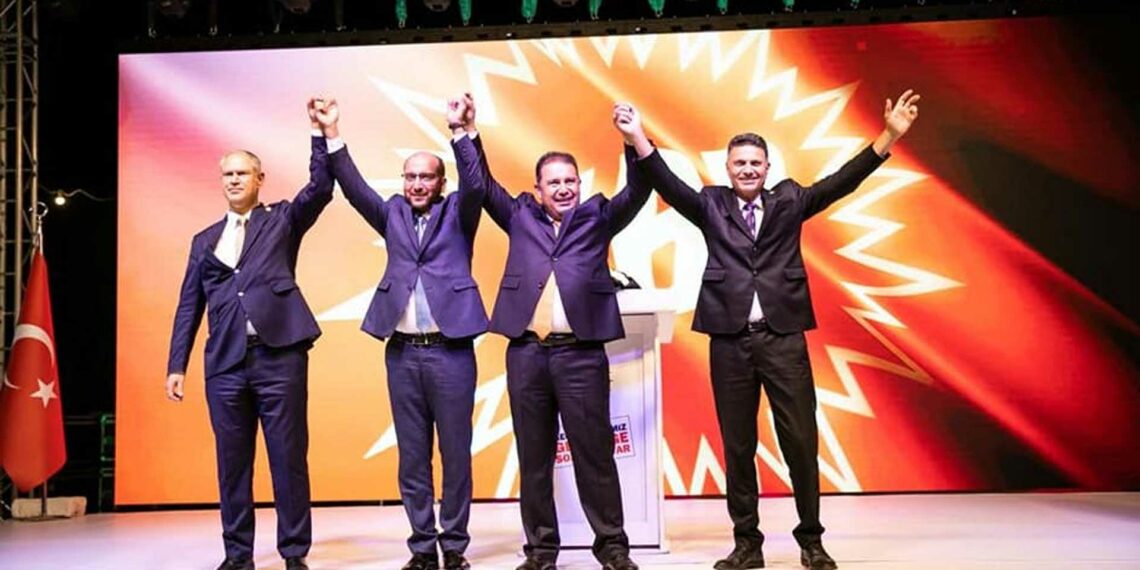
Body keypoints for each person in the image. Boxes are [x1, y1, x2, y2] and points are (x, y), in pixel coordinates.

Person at [616, 90, 922, 570]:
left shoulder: (790, 199)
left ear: (767, 167)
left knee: (800, 440)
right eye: (739, 163)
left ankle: (812, 542)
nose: (747, 170)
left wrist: (888, 137)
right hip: (730, 341)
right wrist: (636, 136)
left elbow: (841, 183)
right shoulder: (711, 204)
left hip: (783, 339)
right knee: (738, 445)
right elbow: (667, 183)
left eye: (755, 163)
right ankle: (747, 545)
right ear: (727, 167)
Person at [454, 98, 651, 570]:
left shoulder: (598, 216)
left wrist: (633, 138)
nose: (563, 189)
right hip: (527, 354)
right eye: (554, 183)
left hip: (581, 356)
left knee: (594, 456)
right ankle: (541, 551)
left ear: (579, 185)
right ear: (537, 190)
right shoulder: (519, 215)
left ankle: (613, 548)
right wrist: (466, 132)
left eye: (570, 181)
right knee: (535, 458)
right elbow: (482, 183)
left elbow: (640, 188)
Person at [165, 98, 339, 570]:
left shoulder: (282, 220)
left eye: (243, 173)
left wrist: (319, 133)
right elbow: (189, 305)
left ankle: (294, 553)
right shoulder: (204, 241)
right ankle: (237, 556)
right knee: (232, 465)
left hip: (279, 358)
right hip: (225, 365)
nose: (234, 180)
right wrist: (176, 365)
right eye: (228, 174)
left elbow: (321, 187)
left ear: (260, 179)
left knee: (288, 459)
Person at [318, 95, 487, 570]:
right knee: (412, 457)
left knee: (455, 455)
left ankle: (454, 546)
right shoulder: (391, 213)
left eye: (426, 176)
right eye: (410, 176)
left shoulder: (459, 212)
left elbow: (477, 183)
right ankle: (422, 548)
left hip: (451, 353)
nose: (416, 184)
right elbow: (353, 188)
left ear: (441, 183)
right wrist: (332, 134)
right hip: (403, 353)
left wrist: (460, 132)